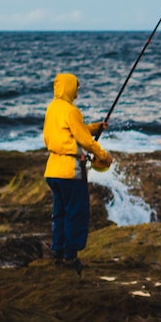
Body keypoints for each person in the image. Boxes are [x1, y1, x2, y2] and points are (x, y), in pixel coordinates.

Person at [43, 72, 113, 275]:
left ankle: (58, 252)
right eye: (76, 88)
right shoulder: (71, 110)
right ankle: (70, 257)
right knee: (76, 214)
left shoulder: (53, 108)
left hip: (53, 171)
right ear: (70, 88)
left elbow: (72, 131)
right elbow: (85, 141)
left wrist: (95, 127)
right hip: (70, 173)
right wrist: (104, 155)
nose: (77, 93)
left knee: (60, 214)